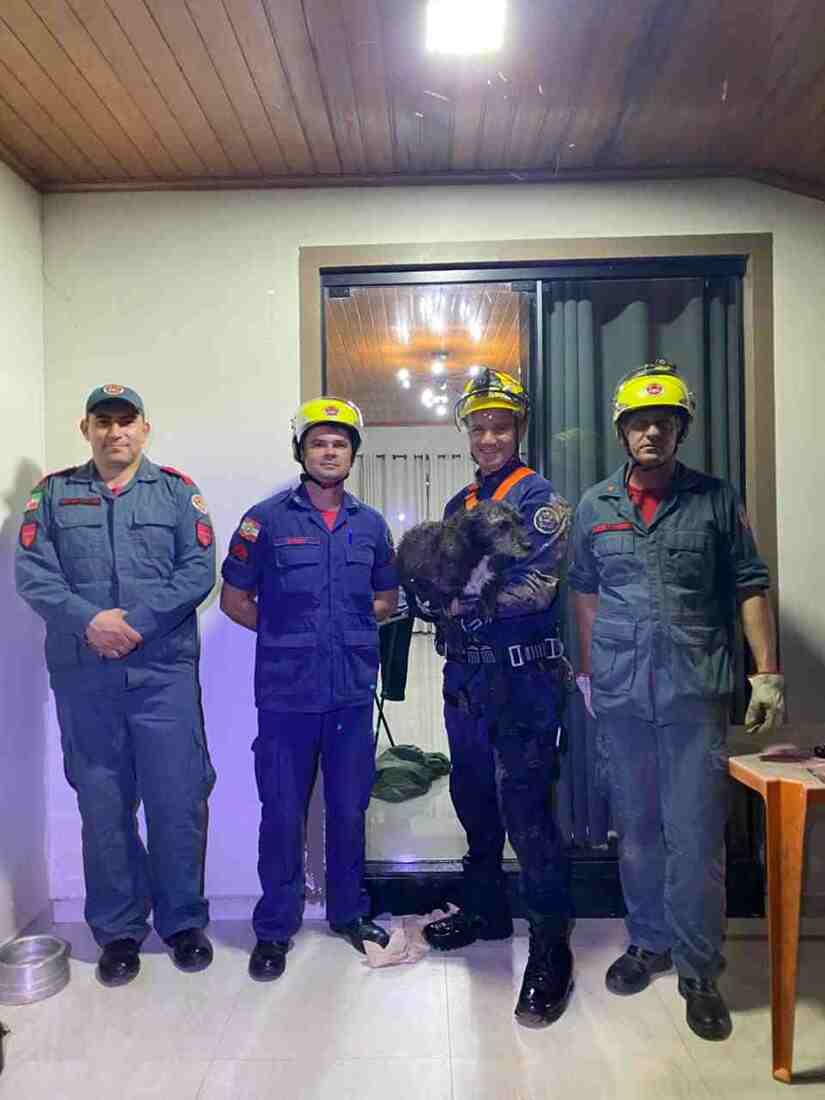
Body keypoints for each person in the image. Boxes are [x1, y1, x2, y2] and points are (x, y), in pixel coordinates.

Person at [569, 360, 784, 1042]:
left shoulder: (716, 500)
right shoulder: (594, 505)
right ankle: (649, 942)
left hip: (694, 690)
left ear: (680, 430)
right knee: (635, 830)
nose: (651, 433)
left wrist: (766, 674)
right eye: (639, 422)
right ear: (622, 432)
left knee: (694, 836)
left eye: (664, 422)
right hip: (621, 692)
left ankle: (698, 969)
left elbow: (749, 583)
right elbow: (585, 591)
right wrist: (587, 671)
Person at [16, 384, 217, 987]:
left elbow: (197, 571)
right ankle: (120, 930)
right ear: (86, 430)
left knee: (178, 799)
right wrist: (90, 622)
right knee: (102, 803)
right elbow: (34, 575)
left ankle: (183, 922)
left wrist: (135, 625)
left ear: (144, 429)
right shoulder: (53, 495)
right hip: (86, 677)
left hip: (163, 675)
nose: (115, 432)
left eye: (126, 421)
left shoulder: (177, 493)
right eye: (103, 422)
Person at [220, 397, 399, 981]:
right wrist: (286, 635)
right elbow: (234, 599)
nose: (329, 451)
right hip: (285, 697)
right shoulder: (265, 521)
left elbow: (387, 598)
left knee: (349, 810)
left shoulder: (370, 525)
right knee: (281, 815)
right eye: (318, 442)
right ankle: (275, 926)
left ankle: (349, 914)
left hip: (350, 695)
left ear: (353, 454)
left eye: (340, 443)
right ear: (300, 451)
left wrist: (348, 631)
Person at [419, 368, 575, 1028]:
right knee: (473, 801)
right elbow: (440, 576)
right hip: (466, 680)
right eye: (479, 427)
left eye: (500, 427)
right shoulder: (460, 503)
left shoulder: (539, 499)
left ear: (519, 430)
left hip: (522, 681)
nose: (488, 438)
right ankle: (485, 912)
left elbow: (537, 588)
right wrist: (426, 593)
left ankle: (550, 950)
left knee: (527, 816)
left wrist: (457, 602)